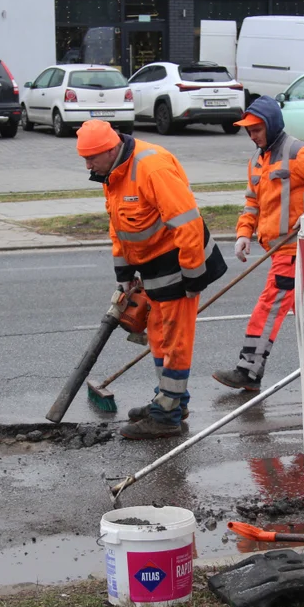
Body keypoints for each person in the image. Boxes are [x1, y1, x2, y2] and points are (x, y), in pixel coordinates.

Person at [76, 120, 227, 440]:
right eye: (84, 159)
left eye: (91, 158)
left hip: (181, 264)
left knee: (174, 340)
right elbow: (118, 227)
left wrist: (192, 277)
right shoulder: (112, 174)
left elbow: (187, 223)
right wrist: (125, 275)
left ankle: (167, 416)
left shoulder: (151, 167)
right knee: (159, 336)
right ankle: (172, 400)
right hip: (154, 269)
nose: (87, 166)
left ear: (111, 149)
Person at [212, 95, 304, 392]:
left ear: (271, 125)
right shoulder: (257, 160)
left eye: (256, 129)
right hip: (277, 249)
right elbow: (252, 202)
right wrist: (243, 234)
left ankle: (248, 370)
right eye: (248, 130)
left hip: (295, 248)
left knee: (269, 305)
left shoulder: (297, 152)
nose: (252, 135)